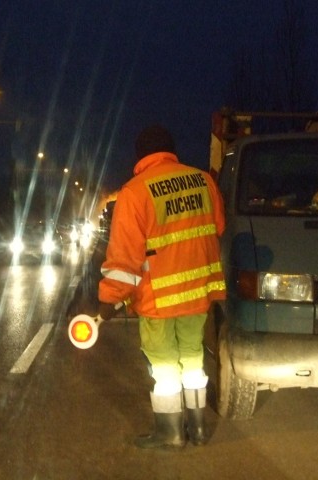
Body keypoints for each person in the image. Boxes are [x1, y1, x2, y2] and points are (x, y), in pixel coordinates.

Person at [97, 125, 226, 449]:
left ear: (141, 156)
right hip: (198, 292)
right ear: (171, 150)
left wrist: (108, 300)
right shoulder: (203, 181)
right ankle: (197, 429)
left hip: (159, 297)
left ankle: (170, 432)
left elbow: (124, 258)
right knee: (193, 356)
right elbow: (218, 226)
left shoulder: (135, 191)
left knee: (164, 362)